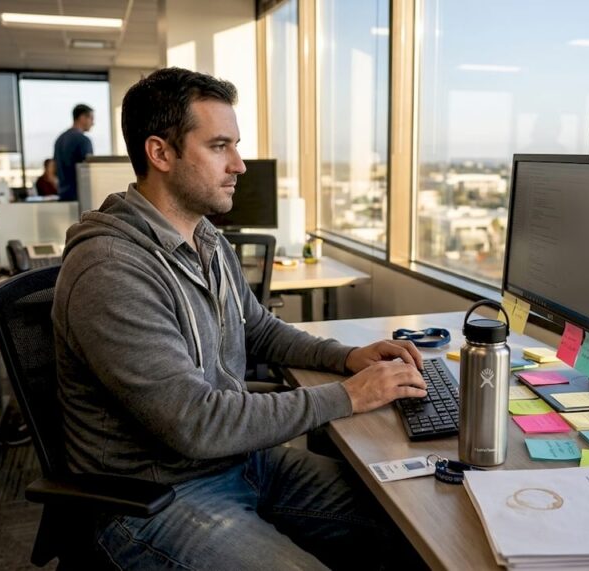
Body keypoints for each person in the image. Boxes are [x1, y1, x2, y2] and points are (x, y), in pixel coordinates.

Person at [53, 67, 428, 569]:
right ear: (160, 152)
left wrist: (349, 358)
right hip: (155, 496)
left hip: (239, 461)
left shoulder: (204, 237)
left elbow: (258, 329)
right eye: (219, 146)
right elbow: (196, 423)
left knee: (410, 525)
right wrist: (349, 396)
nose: (240, 164)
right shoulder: (111, 270)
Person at [53, 103, 94, 201]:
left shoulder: (59, 140)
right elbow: (88, 172)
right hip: (80, 197)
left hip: (63, 196)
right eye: (91, 118)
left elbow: (55, 169)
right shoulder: (83, 140)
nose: (93, 123)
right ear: (82, 117)